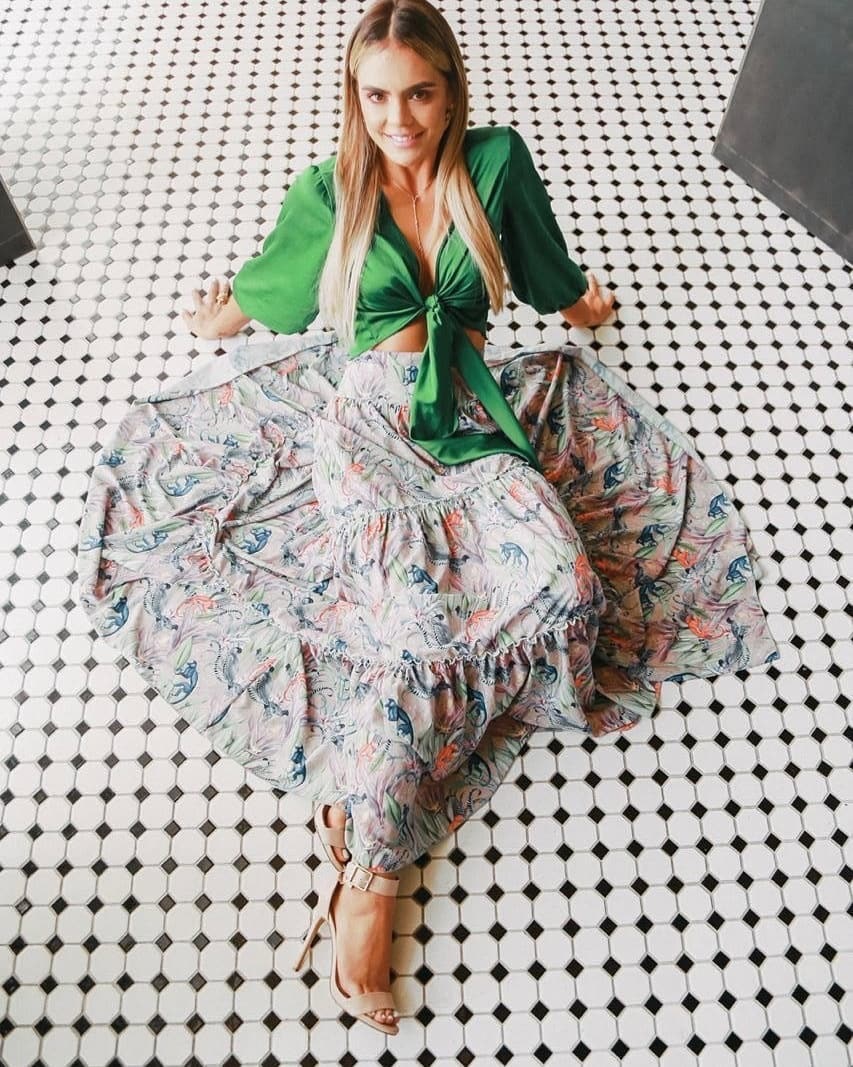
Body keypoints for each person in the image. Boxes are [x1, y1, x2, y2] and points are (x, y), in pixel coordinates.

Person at [77, 0, 779, 1038]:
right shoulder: (333, 188)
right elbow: (272, 290)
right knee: (416, 629)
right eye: (375, 97)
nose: (397, 119)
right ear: (353, 99)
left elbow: (542, 265)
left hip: (473, 420)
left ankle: (362, 786)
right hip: (367, 428)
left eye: (418, 93)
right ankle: (372, 873)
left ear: (451, 92)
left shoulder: (493, 166)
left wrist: (583, 307)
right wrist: (213, 314)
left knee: (567, 590)